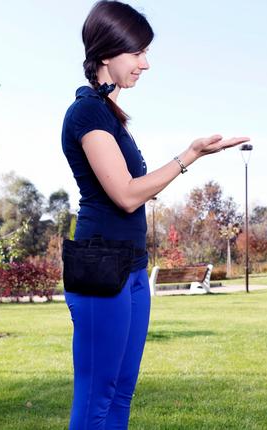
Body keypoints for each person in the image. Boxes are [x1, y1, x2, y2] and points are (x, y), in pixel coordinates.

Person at [60, 1, 249, 428]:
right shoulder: (87, 112)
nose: (145, 63)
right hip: (99, 269)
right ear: (107, 53)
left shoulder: (109, 113)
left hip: (129, 268)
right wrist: (190, 156)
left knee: (121, 391)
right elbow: (126, 195)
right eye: (138, 52)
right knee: (96, 396)